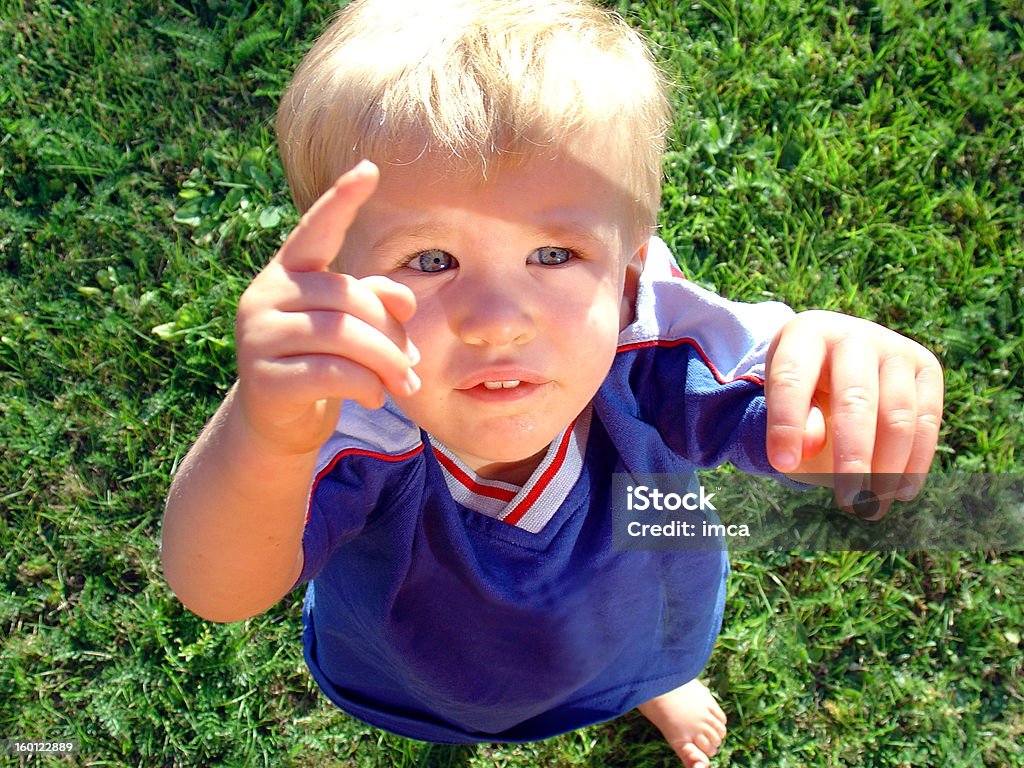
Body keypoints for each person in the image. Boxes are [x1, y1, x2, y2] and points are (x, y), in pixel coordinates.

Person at [160, 1, 943, 765]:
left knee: (650, 648)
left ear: (631, 266)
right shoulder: (346, 418)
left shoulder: (650, 341)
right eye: (431, 261)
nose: (499, 321)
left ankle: (652, 682)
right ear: (337, 283)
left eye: (554, 256)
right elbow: (221, 591)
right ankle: (492, 715)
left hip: (642, 597)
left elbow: (800, 432)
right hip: (425, 663)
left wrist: (839, 392)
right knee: (456, 708)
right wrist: (267, 438)